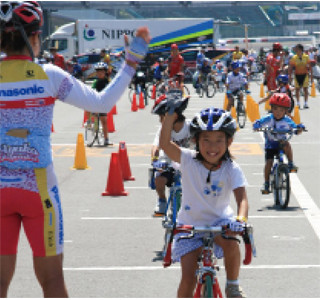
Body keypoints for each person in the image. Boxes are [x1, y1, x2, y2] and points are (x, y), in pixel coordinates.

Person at [0, 1, 150, 297]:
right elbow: (101, 104)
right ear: (33, 38)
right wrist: (130, 63)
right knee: (53, 283)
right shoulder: (50, 75)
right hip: (37, 189)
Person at [159, 105, 249, 298]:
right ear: (195, 140)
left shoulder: (231, 168)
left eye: (219, 140)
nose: (212, 147)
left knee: (232, 242)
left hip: (220, 222)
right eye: (206, 140)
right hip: (189, 225)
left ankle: (233, 285)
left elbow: (242, 198)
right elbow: (165, 145)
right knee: (188, 278)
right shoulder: (188, 160)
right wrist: (170, 117)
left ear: (229, 141)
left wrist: (240, 220)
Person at [253, 93, 304, 194]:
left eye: (281, 110)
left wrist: (299, 129)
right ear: (271, 108)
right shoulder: (268, 118)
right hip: (270, 144)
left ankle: (290, 163)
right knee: (269, 162)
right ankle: (266, 183)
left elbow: (295, 128)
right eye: (275, 109)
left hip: (281, 143)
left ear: (286, 111)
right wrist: (256, 125)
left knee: (287, 145)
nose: (278, 112)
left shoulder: (287, 120)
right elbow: (258, 122)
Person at [151, 95, 191, 215]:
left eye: (161, 117)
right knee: (159, 178)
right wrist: (154, 160)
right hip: (169, 163)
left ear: (174, 116)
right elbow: (155, 146)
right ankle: (162, 200)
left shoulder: (190, 127)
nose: (160, 120)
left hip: (188, 163)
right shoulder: (163, 129)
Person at [90, 62, 113, 146]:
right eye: (98, 72)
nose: (100, 73)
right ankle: (94, 131)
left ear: (105, 72)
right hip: (96, 102)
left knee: (104, 121)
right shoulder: (96, 82)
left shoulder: (108, 81)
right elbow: (91, 91)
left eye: (102, 71)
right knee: (95, 117)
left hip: (104, 103)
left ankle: (106, 139)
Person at [288, 43, 313, 109]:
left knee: (305, 89)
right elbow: (290, 67)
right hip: (297, 75)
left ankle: (306, 103)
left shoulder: (306, 57)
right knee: (297, 89)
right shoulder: (294, 57)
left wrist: (311, 77)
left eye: (297, 48)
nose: (295, 50)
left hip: (305, 75)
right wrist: (290, 76)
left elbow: (310, 67)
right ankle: (298, 103)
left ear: (300, 49)